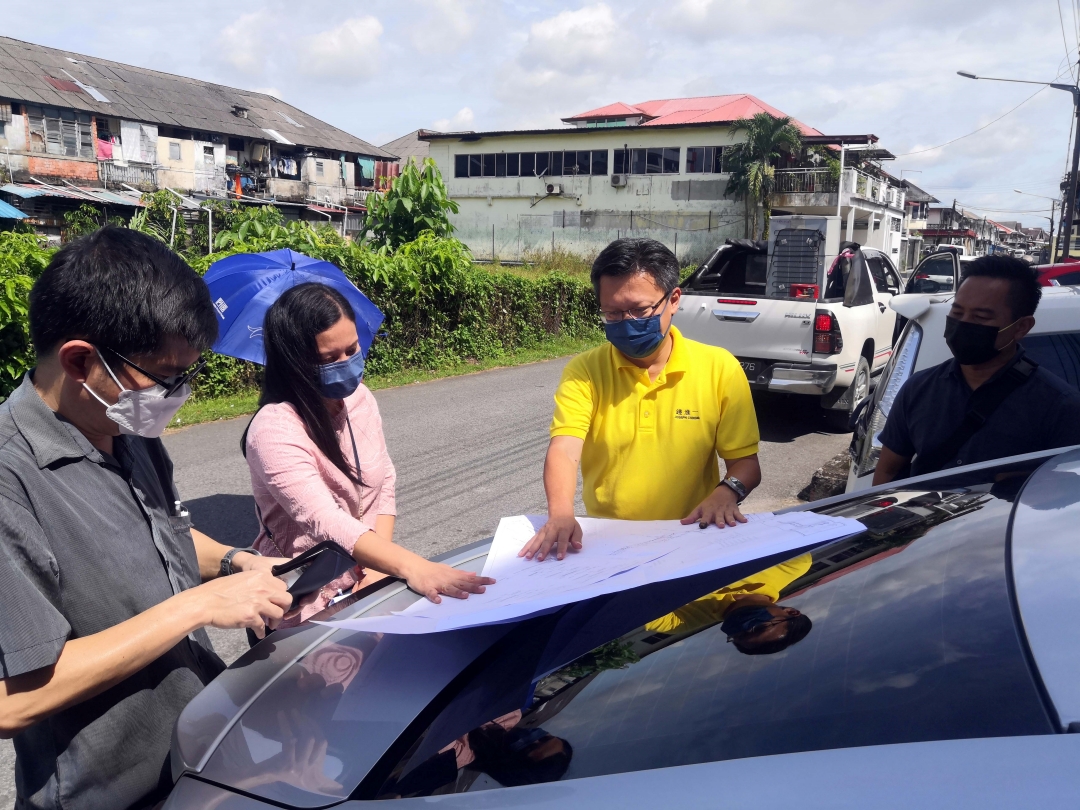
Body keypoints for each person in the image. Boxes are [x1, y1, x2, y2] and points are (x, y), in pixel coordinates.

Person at [0, 227, 294, 810]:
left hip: (199, 758)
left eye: (187, 375)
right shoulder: (11, 478)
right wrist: (197, 606)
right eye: (164, 378)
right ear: (80, 360)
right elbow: (13, 699)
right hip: (110, 793)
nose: (176, 395)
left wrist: (239, 562)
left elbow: (162, 533)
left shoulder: (123, 427)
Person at [244, 282, 493, 622]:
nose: (346, 364)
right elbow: (323, 520)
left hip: (367, 582)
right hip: (304, 604)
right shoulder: (274, 430)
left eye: (352, 349)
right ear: (294, 364)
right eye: (329, 359)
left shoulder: (360, 399)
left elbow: (384, 479)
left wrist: (376, 568)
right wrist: (412, 566)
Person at [520, 237, 762, 562]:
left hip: (693, 536)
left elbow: (746, 464)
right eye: (613, 313)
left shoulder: (720, 369)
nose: (627, 323)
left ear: (673, 299)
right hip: (610, 545)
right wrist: (561, 513)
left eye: (639, 310)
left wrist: (728, 492)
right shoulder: (585, 372)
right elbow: (564, 448)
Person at [874, 255, 1080, 485]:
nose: (963, 324)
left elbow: (1062, 497)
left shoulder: (1060, 406)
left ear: (1021, 327)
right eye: (957, 312)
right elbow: (887, 474)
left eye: (980, 317)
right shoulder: (918, 389)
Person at [644, 555, 813, 655]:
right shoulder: (792, 565)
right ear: (791, 612)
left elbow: (629, 601)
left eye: (737, 635)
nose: (743, 627)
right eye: (759, 628)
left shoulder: (679, 621)